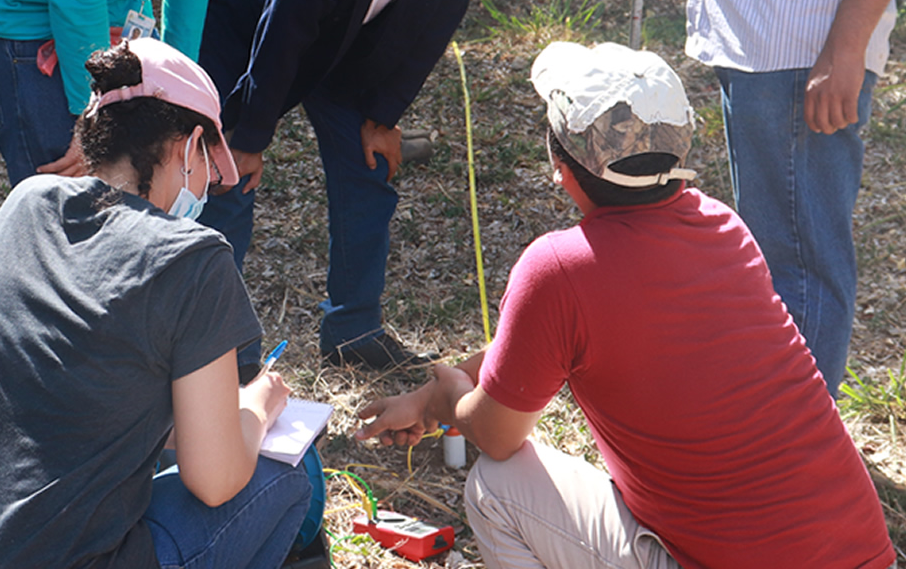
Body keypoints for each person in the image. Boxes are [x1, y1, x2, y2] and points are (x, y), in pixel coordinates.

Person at [355, 42, 896, 569]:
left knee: (496, 486)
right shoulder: (721, 227)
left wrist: (447, 400)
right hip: (862, 551)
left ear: (558, 162)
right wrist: (427, 399)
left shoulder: (559, 270)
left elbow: (496, 436)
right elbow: (537, 342)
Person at [0, 38, 312, 569]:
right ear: (191, 145)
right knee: (290, 478)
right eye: (210, 169)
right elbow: (214, 481)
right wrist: (257, 405)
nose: (207, 189)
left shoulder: (25, 203)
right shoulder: (194, 260)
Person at [193, 0, 471, 380]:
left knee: (367, 167)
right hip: (246, 31)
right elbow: (282, 32)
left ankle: (354, 333)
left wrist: (382, 116)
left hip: (344, 46)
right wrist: (250, 137)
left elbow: (430, 29)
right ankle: (229, 358)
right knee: (229, 183)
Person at [685, 0, 898, 397]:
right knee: (776, 260)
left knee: (801, 268)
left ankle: (800, 446)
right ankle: (784, 432)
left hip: (803, 49)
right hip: (758, 47)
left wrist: (845, 47)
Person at [0, 0, 211, 188]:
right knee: (61, 211)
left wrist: (179, 81)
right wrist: (91, 116)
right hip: (30, 24)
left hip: (125, 18)